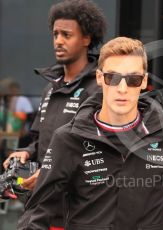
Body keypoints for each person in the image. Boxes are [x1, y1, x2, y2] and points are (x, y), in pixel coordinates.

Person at [19, 37, 163, 230]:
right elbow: (39, 210)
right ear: (100, 78)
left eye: (133, 79)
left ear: (143, 82)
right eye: (113, 78)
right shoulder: (69, 137)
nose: (122, 89)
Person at [2, 0, 107, 228]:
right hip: (41, 210)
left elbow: (97, 151)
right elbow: (40, 141)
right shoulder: (50, 88)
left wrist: (50, 174)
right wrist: (26, 154)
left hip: (79, 213)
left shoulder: (98, 88)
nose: (58, 41)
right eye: (55, 34)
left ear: (86, 39)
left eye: (66, 35)